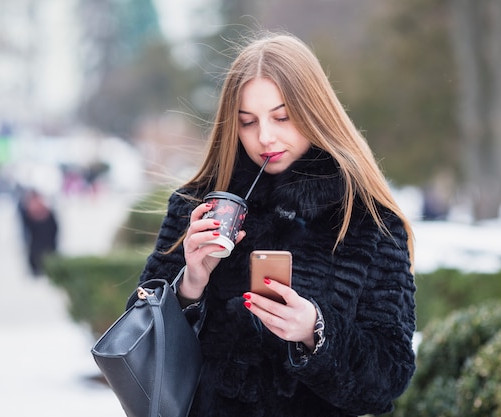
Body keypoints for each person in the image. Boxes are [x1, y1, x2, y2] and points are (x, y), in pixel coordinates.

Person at [137, 31, 417, 417]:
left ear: (315, 111)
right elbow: (139, 349)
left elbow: (391, 374)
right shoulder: (199, 205)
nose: (264, 137)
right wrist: (190, 285)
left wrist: (316, 333)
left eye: (282, 117)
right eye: (248, 122)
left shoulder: (366, 220)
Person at [20, 190, 58, 276]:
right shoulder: (29, 211)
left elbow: (54, 227)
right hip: (37, 240)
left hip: (46, 239)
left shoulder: (46, 210)